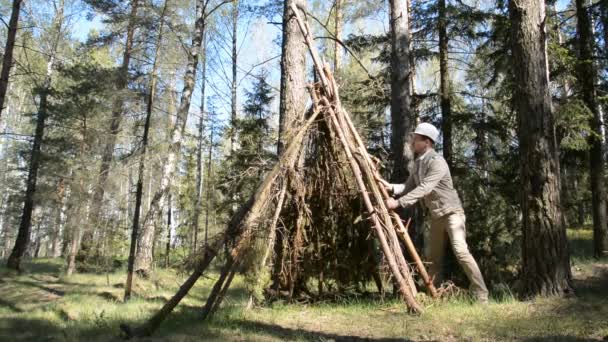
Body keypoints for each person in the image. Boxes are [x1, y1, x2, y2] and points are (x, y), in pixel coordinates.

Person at [377, 122, 489, 304]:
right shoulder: (418, 163)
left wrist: (397, 203)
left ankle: (481, 294)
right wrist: (389, 186)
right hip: (436, 216)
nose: (413, 142)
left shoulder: (438, 162)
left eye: (416, 139)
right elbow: (407, 186)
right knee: (433, 258)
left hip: (452, 214)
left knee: (461, 252)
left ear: (427, 142)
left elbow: (425, 188)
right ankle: (433, 295)